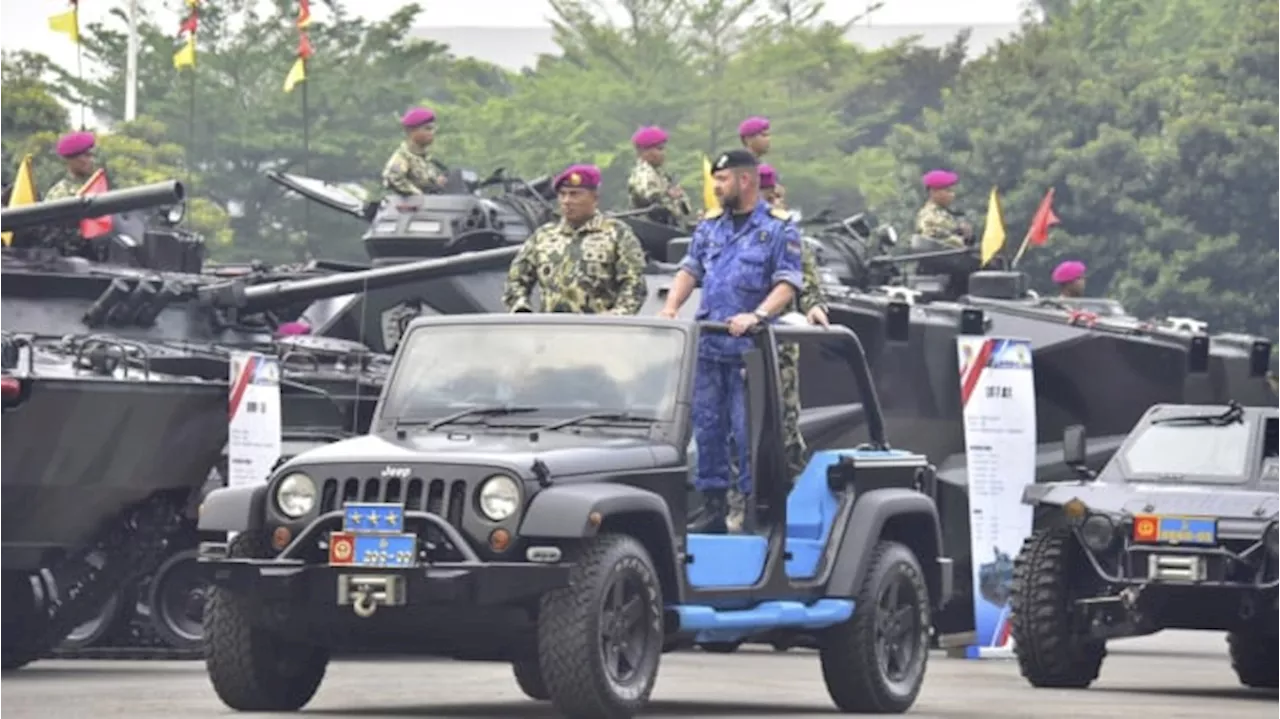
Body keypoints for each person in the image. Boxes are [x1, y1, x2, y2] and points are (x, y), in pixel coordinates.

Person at [658, 149, 803, 534]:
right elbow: (690, 269)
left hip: (748, 352)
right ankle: (713, 508)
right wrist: (672, 308)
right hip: (709, 347)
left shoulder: (778, 228)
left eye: (722, 180)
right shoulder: (709, 227)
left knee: (747, 433)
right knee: (707, 429)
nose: (716, 187)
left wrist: (758, 315)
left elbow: (787, 282)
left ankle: (757, 509)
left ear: (744, 180)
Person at [503, 164, 648, 315]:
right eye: (562, 194)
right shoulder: (543, 236)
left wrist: (618, 315)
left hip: (601, 332)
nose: (567, 201)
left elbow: (634, 283)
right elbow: (515, 279)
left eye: (574, 194)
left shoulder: (617, 234)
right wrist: (521, 309)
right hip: (551, 332)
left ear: (594, 198)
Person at [760, 163, 827, 483]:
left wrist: (814, 307)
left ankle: (788, 493)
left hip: (777, 340)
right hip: (729, 340)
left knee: (784, 420)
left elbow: (808, 280)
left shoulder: (786, 232)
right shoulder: (721, 228)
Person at [627, 125, 692, 227]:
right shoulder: (643, 174)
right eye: (659, 149)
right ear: (643, 151)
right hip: (650, 229)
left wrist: (677, 196)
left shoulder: (661, 175)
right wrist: (671, 196)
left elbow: (684, 207)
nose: (663, 153)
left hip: (665, 228)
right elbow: (655, 200)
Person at [381, 107, 446, 196]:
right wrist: (418, 195)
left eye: (433, 129)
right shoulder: (403, 157)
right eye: (428, 128)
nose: (432, 133)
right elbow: (393, 178)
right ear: (411, 131)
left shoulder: (426, 160)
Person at [914, 169, 972, 248]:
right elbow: (936, 241)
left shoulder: (943, 213)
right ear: (933, 192)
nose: (952, 195)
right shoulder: (929, 215)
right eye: (948, 191)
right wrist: (961, 237)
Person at [44, 131, 98, 200]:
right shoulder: (59, 194)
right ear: (71, 160)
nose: (92, 160)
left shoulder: (96, 185)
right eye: (87, 156)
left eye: (92, 155)